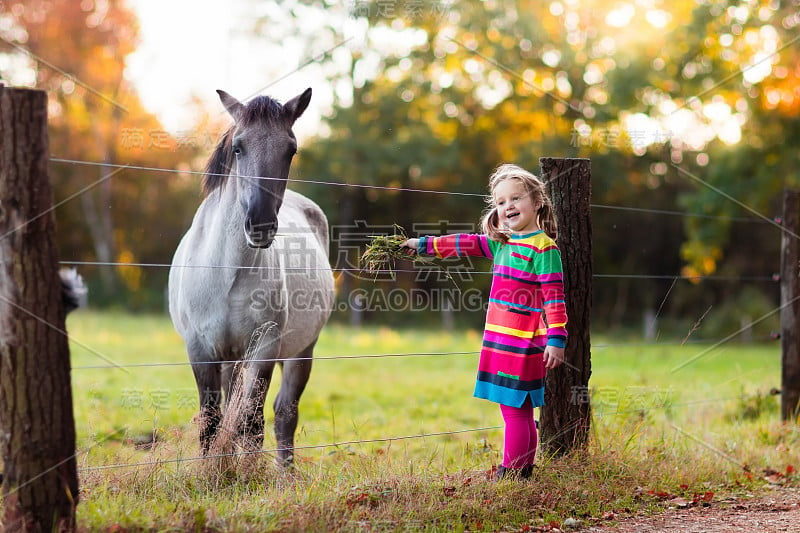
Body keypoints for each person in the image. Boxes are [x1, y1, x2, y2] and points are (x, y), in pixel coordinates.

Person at [401, 163, 567, 480]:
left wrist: (557, 339)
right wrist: (423, 245)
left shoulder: (544, 248)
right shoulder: (502, 243)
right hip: (502, 341)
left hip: (523, 343)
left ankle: (512, 471)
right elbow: (464, 242)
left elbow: (554, 297)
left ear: (537, 202)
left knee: (513, 410)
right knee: (519, 409)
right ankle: (523, 471)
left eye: (516, 198)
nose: (508, 207)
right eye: (501, 202)